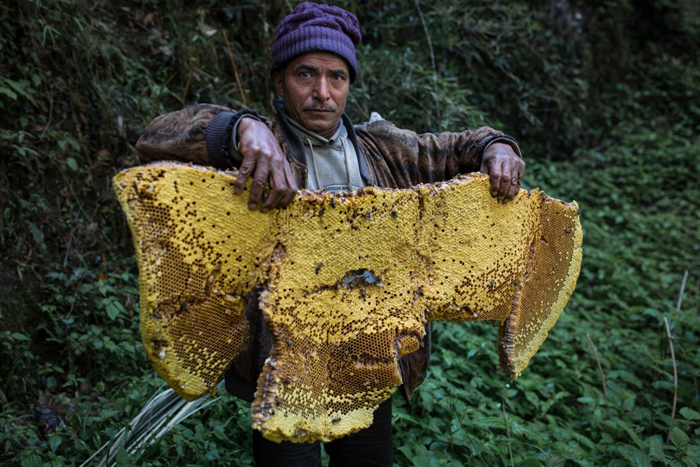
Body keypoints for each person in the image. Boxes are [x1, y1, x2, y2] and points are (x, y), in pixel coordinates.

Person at [135, 3, 525, 466]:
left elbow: (458, 147)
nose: (322, 92)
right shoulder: (257, 147)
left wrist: (497, 146)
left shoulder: (381, 150)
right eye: (305, 74)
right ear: (278, 81)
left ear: (349, 85)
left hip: (368, 354)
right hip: (287, 362)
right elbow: (154, 138)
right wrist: (241, 128)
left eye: (336, 77)